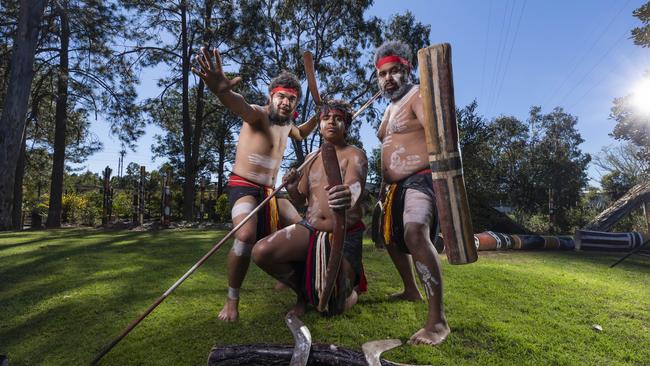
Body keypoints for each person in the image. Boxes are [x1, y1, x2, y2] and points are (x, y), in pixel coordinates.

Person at [192, 47, 319, 321]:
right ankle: (231, 300)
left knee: (302, 229)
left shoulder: (288, 126)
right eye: (281, 97)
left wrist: (321, 116)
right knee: (246, 235)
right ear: (271, 97)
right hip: (244, 186)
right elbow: (237, 104)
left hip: (272, 192)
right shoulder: (258, 115)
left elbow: (303, 131)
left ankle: (289, 277)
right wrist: (222, 91)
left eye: (292, 99)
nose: (286, 103)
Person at [252, 99, 368, 317]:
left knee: (334, 306)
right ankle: (303, 295)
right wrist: (293, 185)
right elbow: (299, 198)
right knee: (261, 252)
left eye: (338, 119)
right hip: (310, 228)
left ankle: (350, 288)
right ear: (320, 124)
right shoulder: (310, 158)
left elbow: (355, 186)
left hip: (343, 232)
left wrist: (348, 195)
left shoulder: (355, 154)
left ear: (346, 125)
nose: (331, 122)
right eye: (326, 118)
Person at [374, 40, 450, 345]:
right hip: (393, 187)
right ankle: (410, 289)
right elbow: (385, 137)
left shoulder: (419, 95)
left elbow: (439, 132)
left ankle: (437, 322)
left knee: (415, 232)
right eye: (382, 74)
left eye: (395, 71)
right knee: (389, 237)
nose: (388, 78)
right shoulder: (391, 107)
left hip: (420, 178)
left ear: (407, 71)